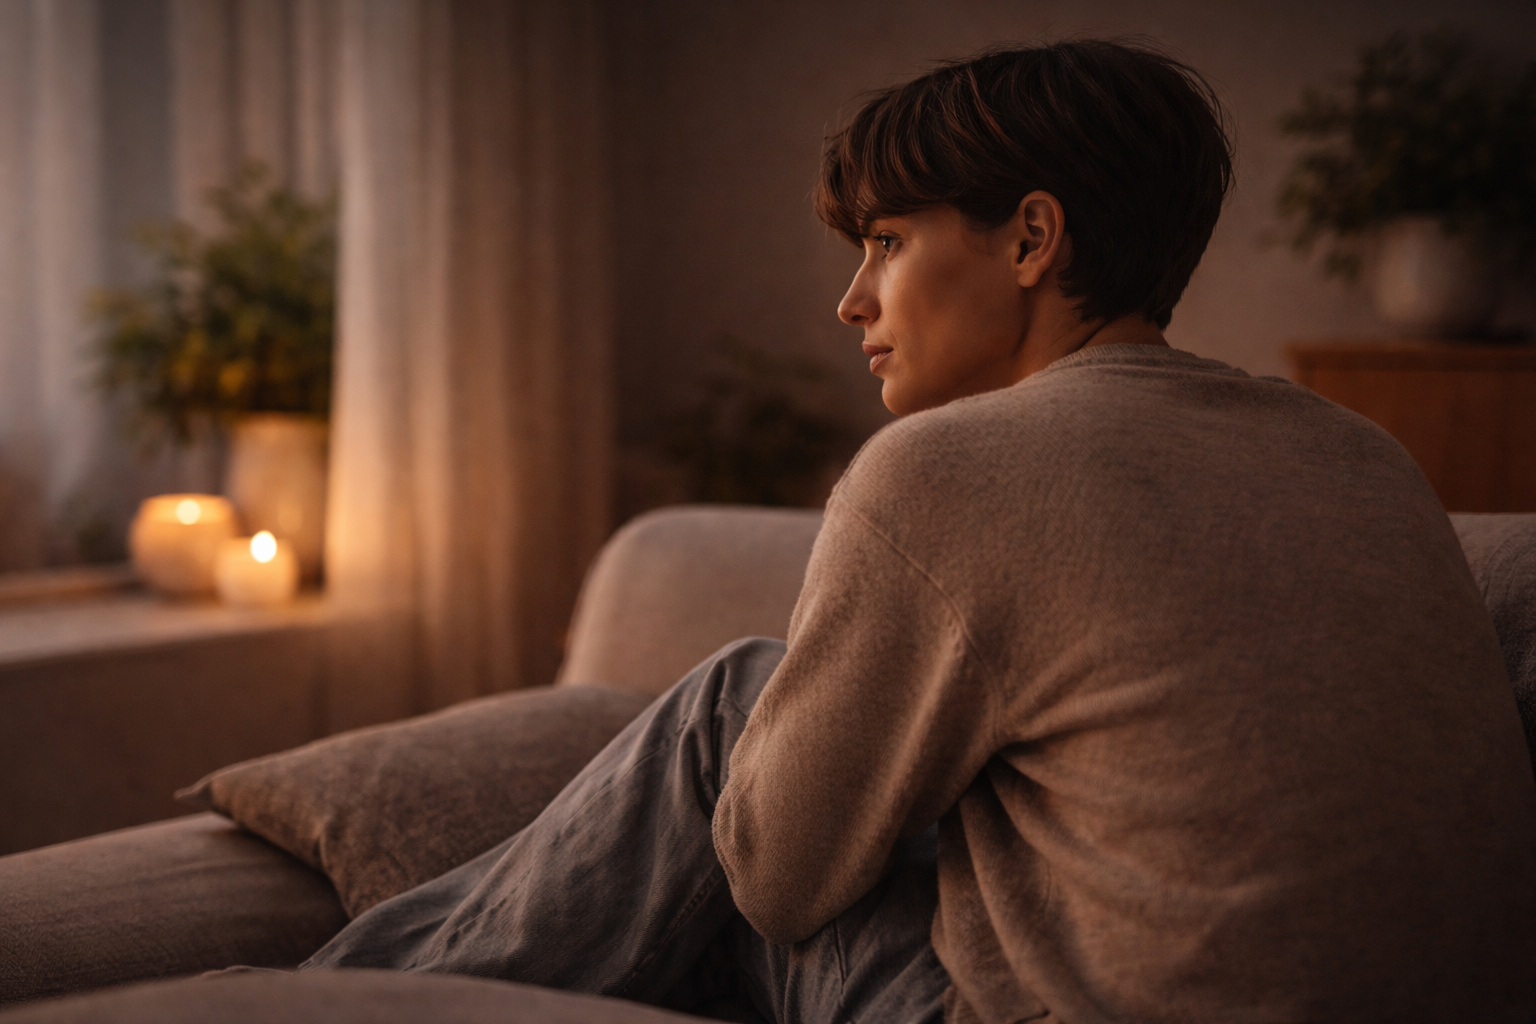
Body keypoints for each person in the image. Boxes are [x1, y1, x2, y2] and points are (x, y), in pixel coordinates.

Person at [302, 41, 1536, 1023]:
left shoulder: (946, 469)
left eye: (887, 242)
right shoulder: (1364, 452)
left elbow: (777, 878)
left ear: (1031, 240)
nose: (852, 299)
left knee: (740, 710)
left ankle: (320, 1003)